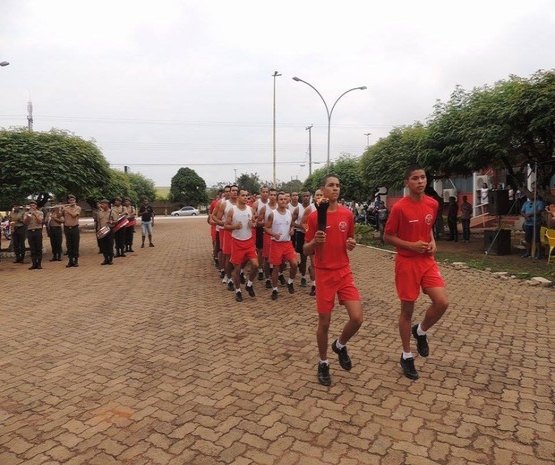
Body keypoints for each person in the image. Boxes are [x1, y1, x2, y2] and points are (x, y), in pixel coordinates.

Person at [384, 165, 449, 381]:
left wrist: (432, 243)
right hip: (407, 263)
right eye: (415, 178)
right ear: (407, 183)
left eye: (423, 177)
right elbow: (388, 236)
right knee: (407, 310)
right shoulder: (399, 208)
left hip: (427, 261)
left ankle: (420, 331)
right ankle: (406, 355)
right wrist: (410, 246)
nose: (420, 181)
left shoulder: (432, 203)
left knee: (442, 302)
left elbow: (428, 228)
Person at [304, 175, 363, 387]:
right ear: (323, 189)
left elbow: (350, 238)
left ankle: (340, 345)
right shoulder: (314, 218)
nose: (335, 189)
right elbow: (305, 249)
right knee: (325, 322)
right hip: (324, 273)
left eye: (338, 185)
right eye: (331, 185)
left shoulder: (347, 214)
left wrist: (351, 243)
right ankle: (323, 362)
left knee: (357, 318)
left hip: (344, 272)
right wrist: (313, 242)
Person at [225, 188, 258, 302]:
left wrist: (253, 224)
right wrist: (234, 227)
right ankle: (238, 291)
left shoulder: (250, 209)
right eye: (243, 196)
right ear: (238, 197)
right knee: (237, 269)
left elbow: (254, 222)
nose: (245, 198)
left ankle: (249, 285)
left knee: (255, 265)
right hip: (237, 242)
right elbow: (226, 226)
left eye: (247, 196)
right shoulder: (232, 210)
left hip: (249, 242)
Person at [264, 192, 298, 301]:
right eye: (281, 199)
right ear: (277, 201)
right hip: (276, 244)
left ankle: (290, 282)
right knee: (276, 268)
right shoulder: (272, 214)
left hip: (287, 244)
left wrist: (292, 230)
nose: (283, 201)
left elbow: (291, 224)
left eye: (284, 199)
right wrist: (273, 234)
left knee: (294, 264)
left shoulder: (289, 213)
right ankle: (275, 289)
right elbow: (266, 228)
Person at [292, 191, 311, 287]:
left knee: (313, 258)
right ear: (301, 197)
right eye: (304, 196)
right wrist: (301, 226)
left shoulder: (314, 208)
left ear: (310, 197)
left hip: (311, 235)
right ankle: (303, 277)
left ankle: (314, 278)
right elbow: (292, 222)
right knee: (303, 258)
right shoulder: (297, 209)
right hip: (300, 234)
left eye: (307, 196)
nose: (306, 197)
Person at [23, 200, 44, 270]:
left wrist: (35, 214)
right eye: (31, 205)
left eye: (33, 205)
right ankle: (34, 263)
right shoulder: (26, 213)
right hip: (30, 231)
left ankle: (39, 264)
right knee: (32, 248)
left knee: (38, 247)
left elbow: (40, 221)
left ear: (36, 206)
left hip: (37, 230)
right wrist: (28, 216)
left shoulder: (40, 212)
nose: (32, 207)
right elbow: (25, 223)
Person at [62, 194, 81, 267]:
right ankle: (70, 260)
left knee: (75, 244)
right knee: (69, 245)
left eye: (73, 200)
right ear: (68, 201)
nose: (71, 201)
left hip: (75, 228)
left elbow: (73, 215)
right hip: (67, 228)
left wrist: (66, 209)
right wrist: (58, 210)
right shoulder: (65, 208)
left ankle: (76, 260)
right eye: (70, 200)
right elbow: (59, 216)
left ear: (75, 201)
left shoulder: (78, 208)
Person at [97, 199, 118, 265]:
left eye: (103, 204)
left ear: (107, 204)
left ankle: (110, 259)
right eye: (101, 204)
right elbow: (98, 222)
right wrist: (98, 229)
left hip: (109, 230)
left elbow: (116, 221)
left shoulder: (112, 212)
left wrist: (111, 222)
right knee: (104, 246)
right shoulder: (100, 213)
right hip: (102, 230)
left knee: (110, 245)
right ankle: (105, 259)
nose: (102, 205)